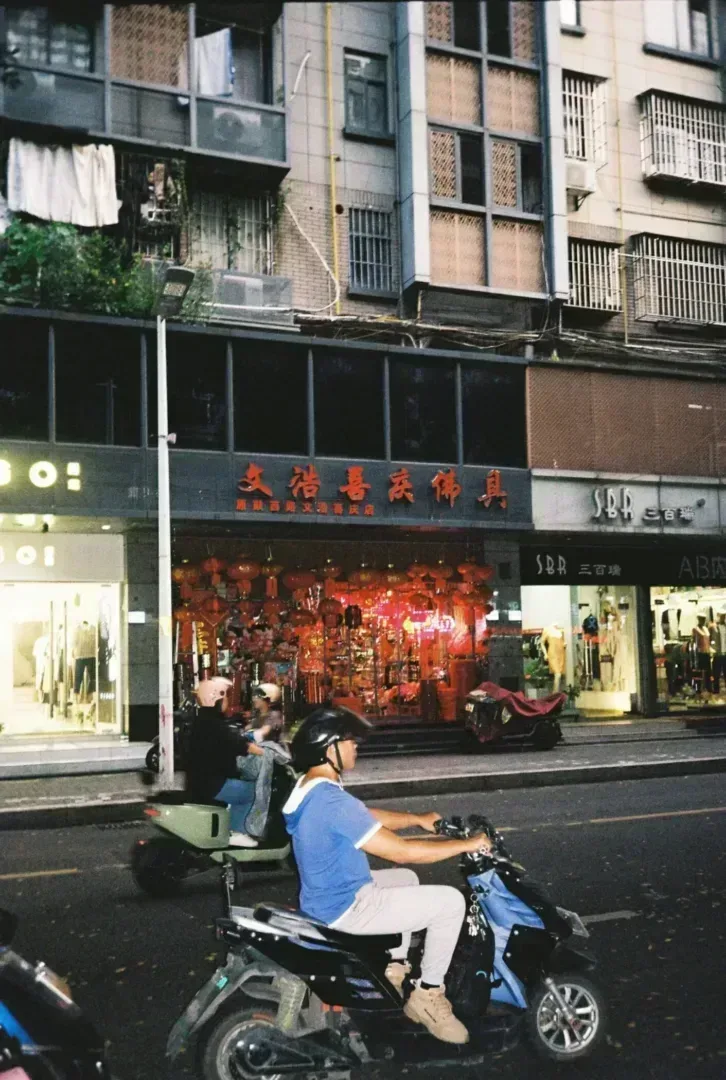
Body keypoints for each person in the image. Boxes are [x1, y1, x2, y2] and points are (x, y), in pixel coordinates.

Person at [283, 706, 492, 1046]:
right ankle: (428, 997)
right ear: (329, 749)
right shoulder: (331, 802)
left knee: (406, 879)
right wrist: (466, 844)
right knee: (451, 903)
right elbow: (400, 851)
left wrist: (417, 818)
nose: (356, 747)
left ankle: (394, 970)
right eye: (349, 741)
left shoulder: (309, 787)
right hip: (347, 906)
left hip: (326, 895)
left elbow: (363, 815)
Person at [185, 676, 265, 848]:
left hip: (200, 781)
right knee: (254, 791)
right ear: (216, 700)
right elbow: (242, 745)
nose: (227, 701)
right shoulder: (215, 725)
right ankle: (236, 832)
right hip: (214, 783)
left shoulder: (201, 721)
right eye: (225, 697)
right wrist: (265, 752)